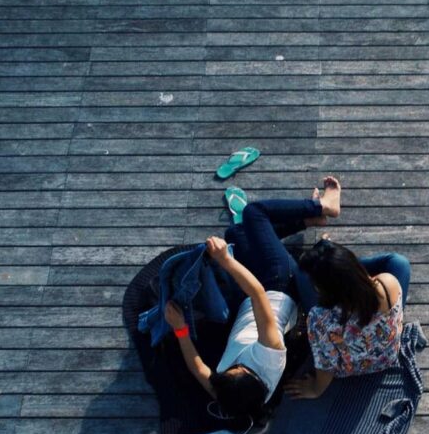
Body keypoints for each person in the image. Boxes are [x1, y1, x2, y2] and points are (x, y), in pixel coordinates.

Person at [163, 178, 342, 420]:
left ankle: (309, 220)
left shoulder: (229, 393)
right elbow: (257, 293)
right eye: (237, 369)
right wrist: (225, 260)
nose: (230, 368)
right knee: (254, 213)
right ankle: (324, 207)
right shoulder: (269, 354)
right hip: (279, 285)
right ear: (251, 377)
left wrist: (181, 330)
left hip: (249, 299)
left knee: (235, 233)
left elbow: (199, 370)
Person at [282, 238, 411, 400]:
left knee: (302, 271)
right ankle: (336, 260)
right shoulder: (387, 283)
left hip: (350, 368)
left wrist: (316, 389)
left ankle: (328, 257)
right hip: (387, 357)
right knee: (399, 262)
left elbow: (326, 364)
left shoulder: (320, 318)